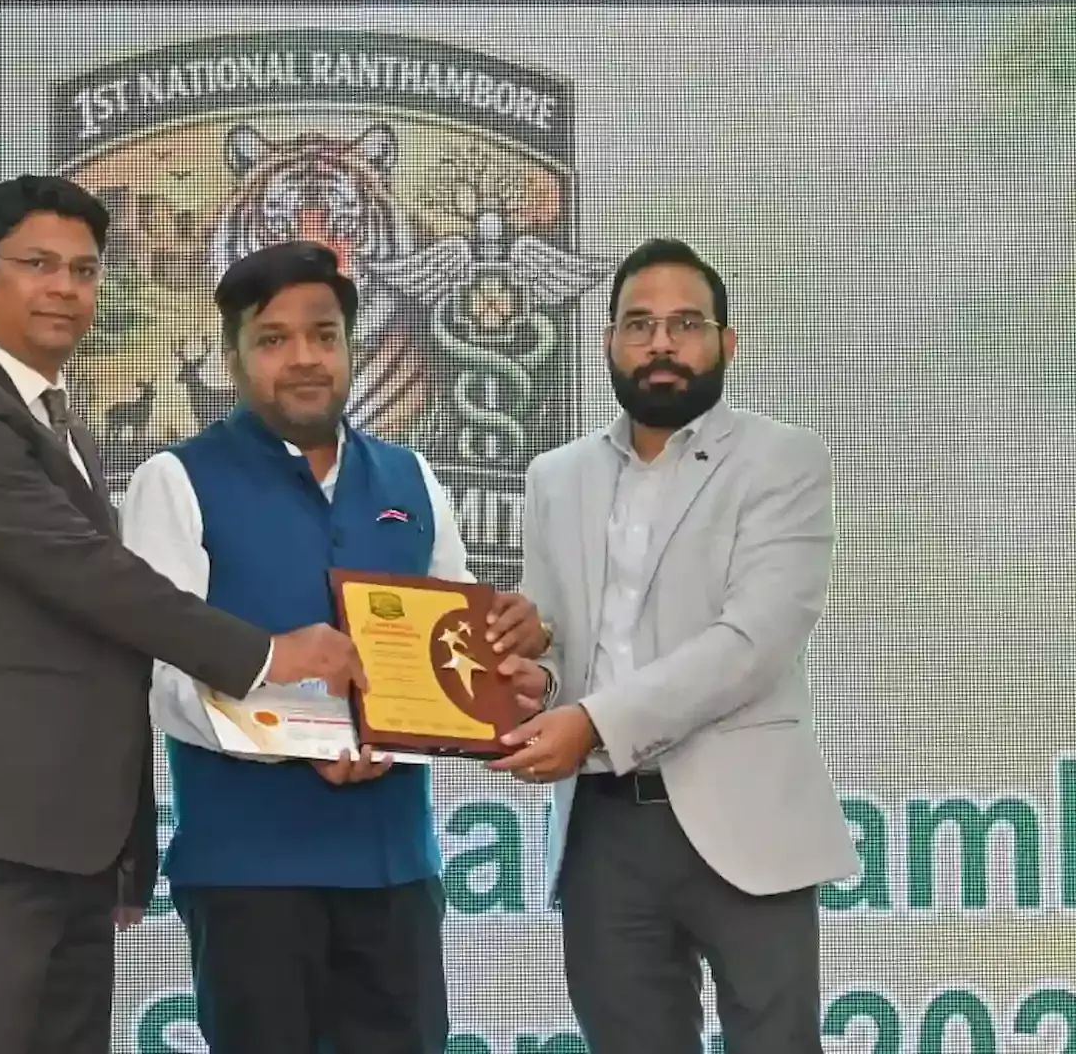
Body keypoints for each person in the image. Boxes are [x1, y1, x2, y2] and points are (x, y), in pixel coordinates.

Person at [0, 176, 365, 1054]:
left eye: (83, 269)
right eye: (38, 265)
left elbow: (97, 651)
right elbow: (91, 578)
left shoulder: (60, 423)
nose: (64, 288)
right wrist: (265, 654)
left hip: (68, 844)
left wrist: (126, 843)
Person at [120, 239, 551, 1054]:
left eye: (323, 334)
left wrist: (511, 666)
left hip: (396, 870)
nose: (304, 358)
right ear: (232, 358)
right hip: (249, 874)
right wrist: (301, 736)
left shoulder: (411, 478)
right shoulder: (175, 481)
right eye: (273, 338)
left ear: (352, 346)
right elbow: (163, 680)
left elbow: (453, 651)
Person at [489, 238, 858, 1054]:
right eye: (639, 324)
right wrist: (528, 678)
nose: (661, 343)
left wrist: (591, 721)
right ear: (608, 343)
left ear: (728, 342)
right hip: (603, 828)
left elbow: (753, 641)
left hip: (746, 818)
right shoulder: (555, 477)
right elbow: (554, 646)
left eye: (685, 324)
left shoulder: (782, 460)